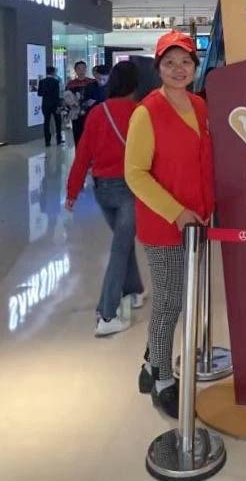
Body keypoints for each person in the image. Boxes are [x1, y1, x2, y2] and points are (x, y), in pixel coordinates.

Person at [125, 30, 214, 419]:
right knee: (169, 301)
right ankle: (162, 378)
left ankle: (151, 362)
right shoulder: (146, 112)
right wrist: (176, 212)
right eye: (170, 62)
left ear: (195, 66)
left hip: (198, 224)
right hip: (165, 225)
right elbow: (135, 173)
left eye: (186, 62)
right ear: (158, 67)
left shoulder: (199, 105)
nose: (179, 69)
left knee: (179, 298)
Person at [65, 61, 145, 336]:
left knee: (123, 240)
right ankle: (107, 315)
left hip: (102, 190)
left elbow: (83, 154)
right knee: (121, 247)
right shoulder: (141, 112)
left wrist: (72, 191)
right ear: (136, 84)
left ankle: (133, 290)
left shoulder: (98, 112)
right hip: (130, 188)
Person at [65, 61, 96, 146]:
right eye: (79, 68)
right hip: (76, 113)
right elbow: (67, 97)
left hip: (90, 112)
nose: (81, 71)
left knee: (90, 135)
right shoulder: (71, 84)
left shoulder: (91, 82)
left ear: (86, 69)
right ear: (75, 70)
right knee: (77, 134)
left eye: (83, 68)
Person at [38, 65, 63, 146]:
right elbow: (57, 95)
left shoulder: (42, 82)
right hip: (55, 104)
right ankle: (59, 139)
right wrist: (59, 105)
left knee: (46, 122)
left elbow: (39, 93)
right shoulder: (56, 82)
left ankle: (47, 141)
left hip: (45, 104)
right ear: (53, 72)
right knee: (58, 122)